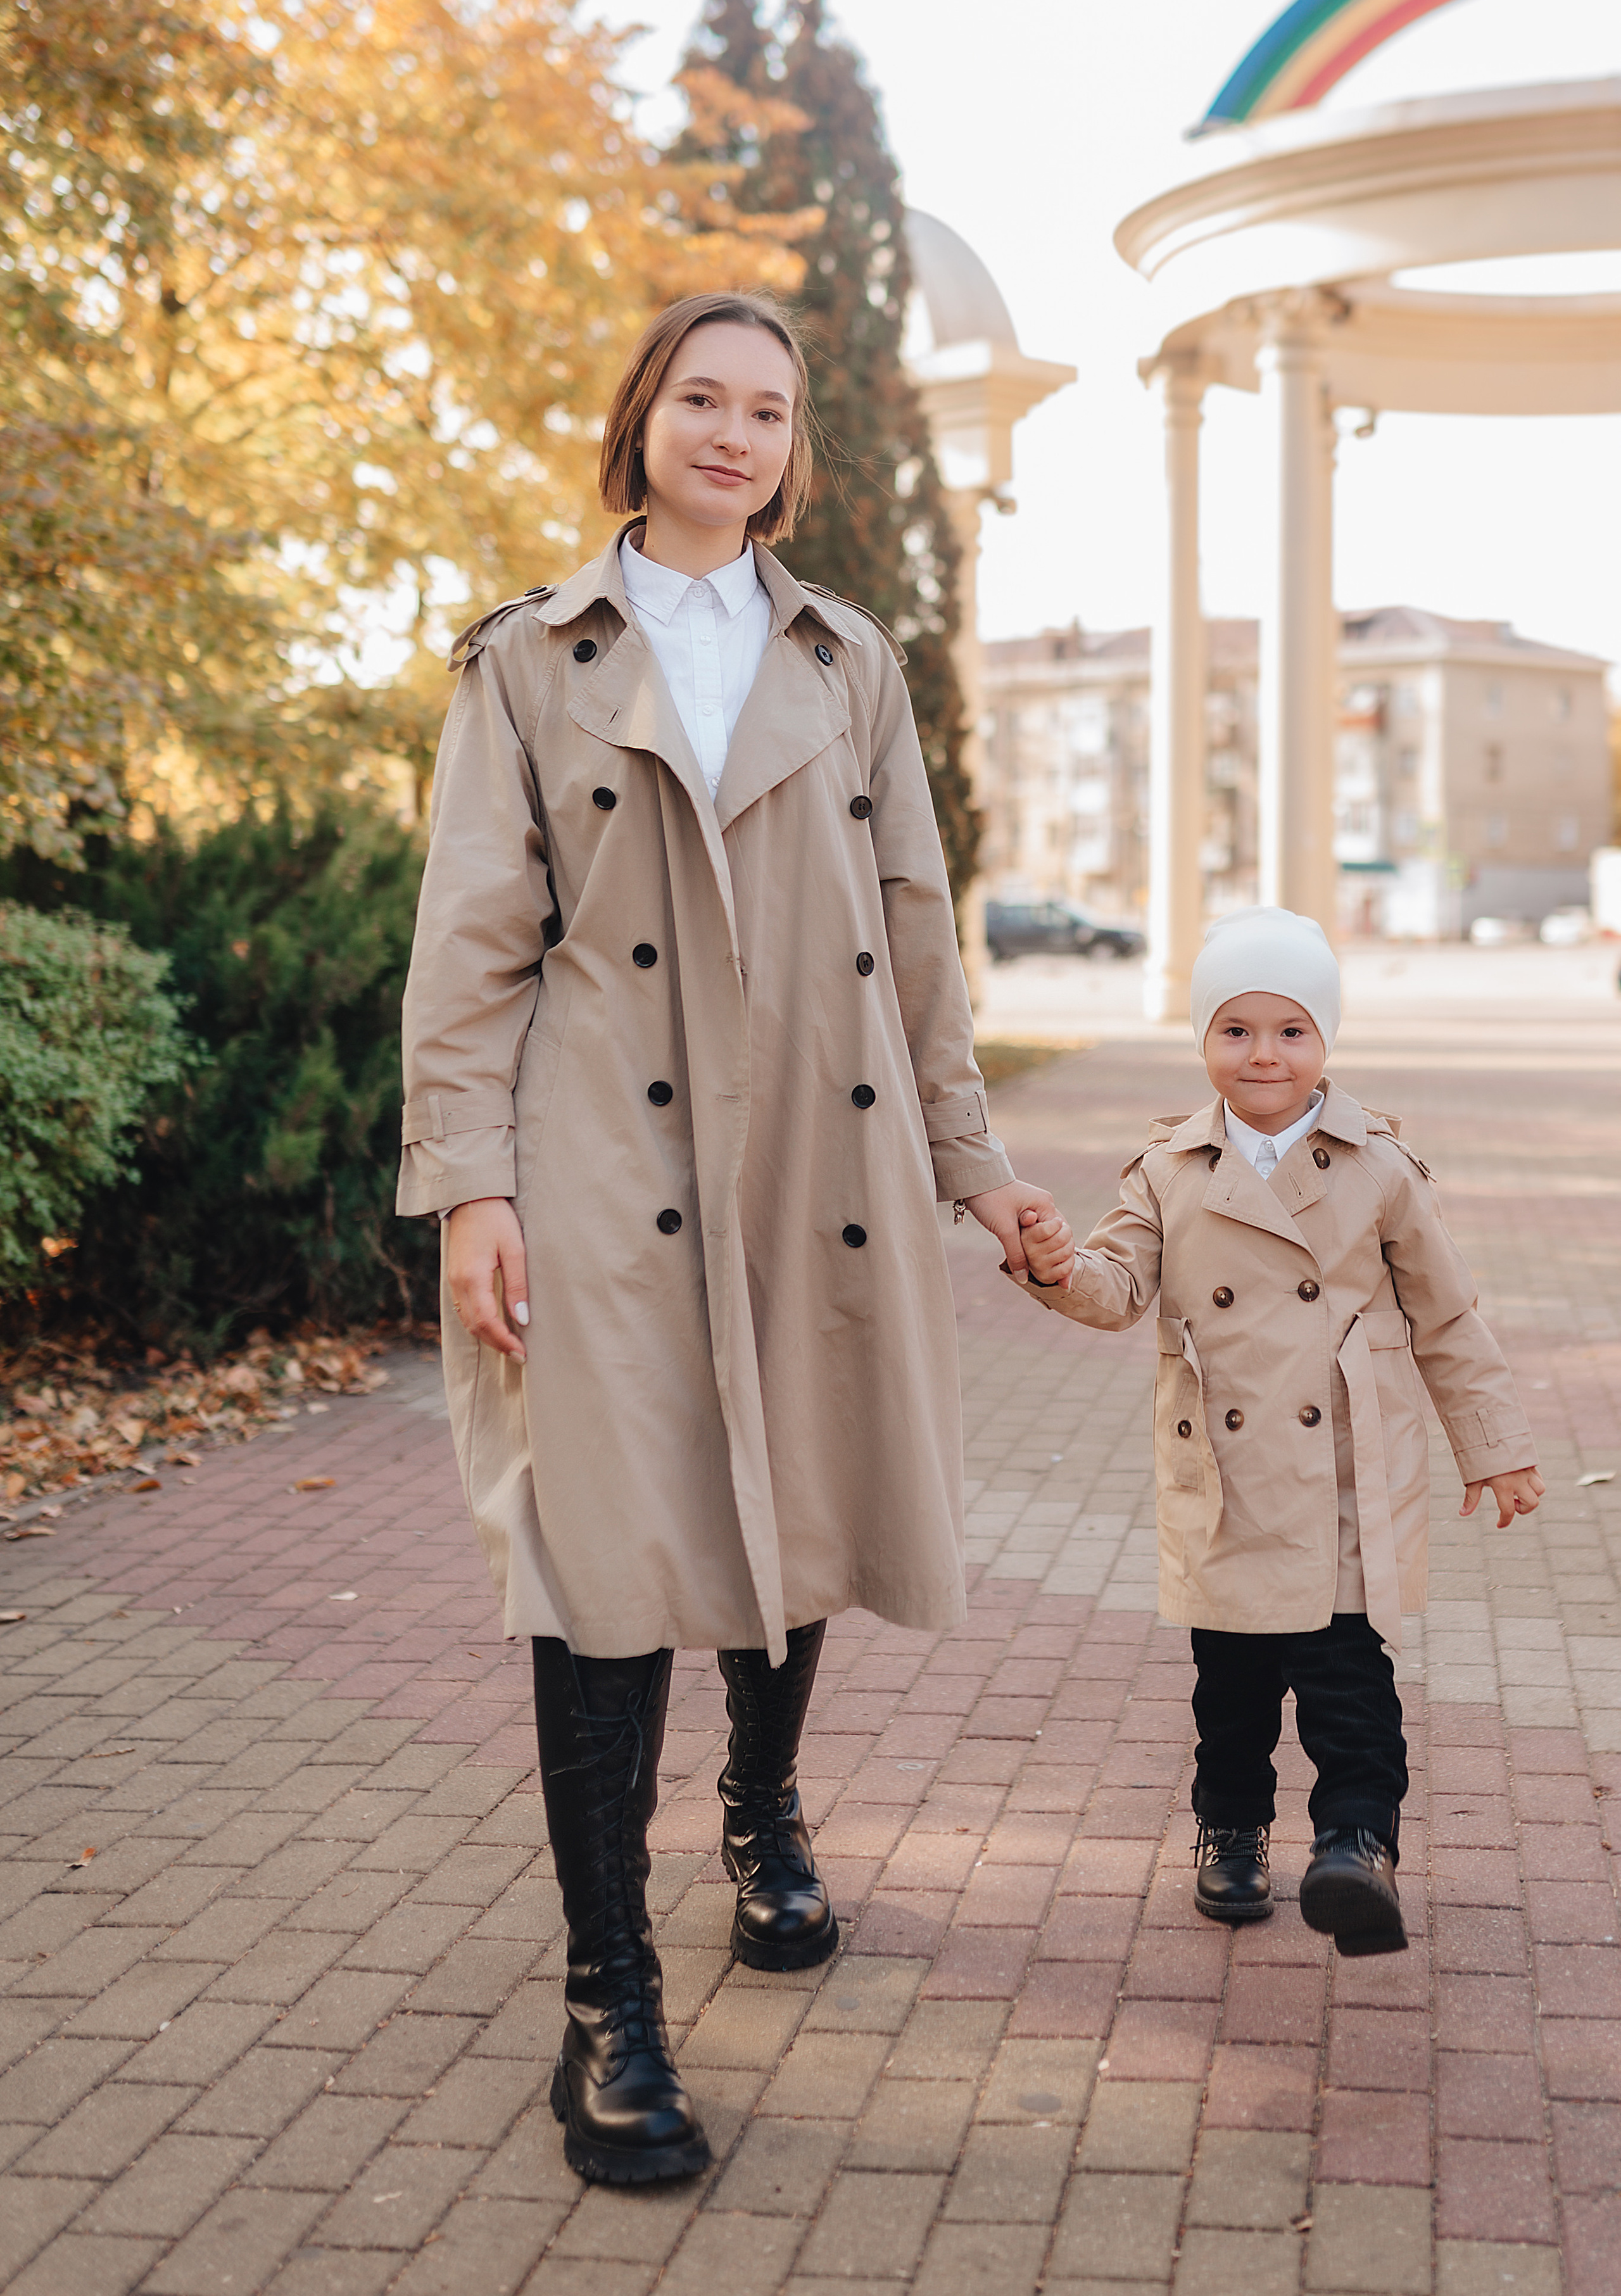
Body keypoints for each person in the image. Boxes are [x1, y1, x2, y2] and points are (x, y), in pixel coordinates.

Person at [396, 291, 1062, 2184]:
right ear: (646, 417)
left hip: (816, 1146)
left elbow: (918, 925)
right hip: (600, 1146)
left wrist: (977, 1165)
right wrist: (473, 1189)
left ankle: (760, 1813)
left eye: (769, 409)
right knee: (599, 1547)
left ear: (792, 449)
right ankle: (609, 1996)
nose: (734, 432)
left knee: (795, 1496)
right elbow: (470, 945)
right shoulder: (529, 660)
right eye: (703, 396)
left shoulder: (849, 660)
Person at [1009, 905, 1542, 1955]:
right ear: (1205, 1040)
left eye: (1290, 1030)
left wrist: (1499, 1447)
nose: (1263, 1055)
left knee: (1352, 1680)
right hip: (1224, 1474)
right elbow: (1118, 1290)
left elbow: (1446, 1315)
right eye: (1237, 1029)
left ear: (1325, 1041)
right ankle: (1232, 1835)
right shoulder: (1167, 1169)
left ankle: (1356, 1846)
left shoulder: (1379, 1165)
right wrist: (1056, 1267)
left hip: (1345, 1469)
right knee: (1235, 1692)